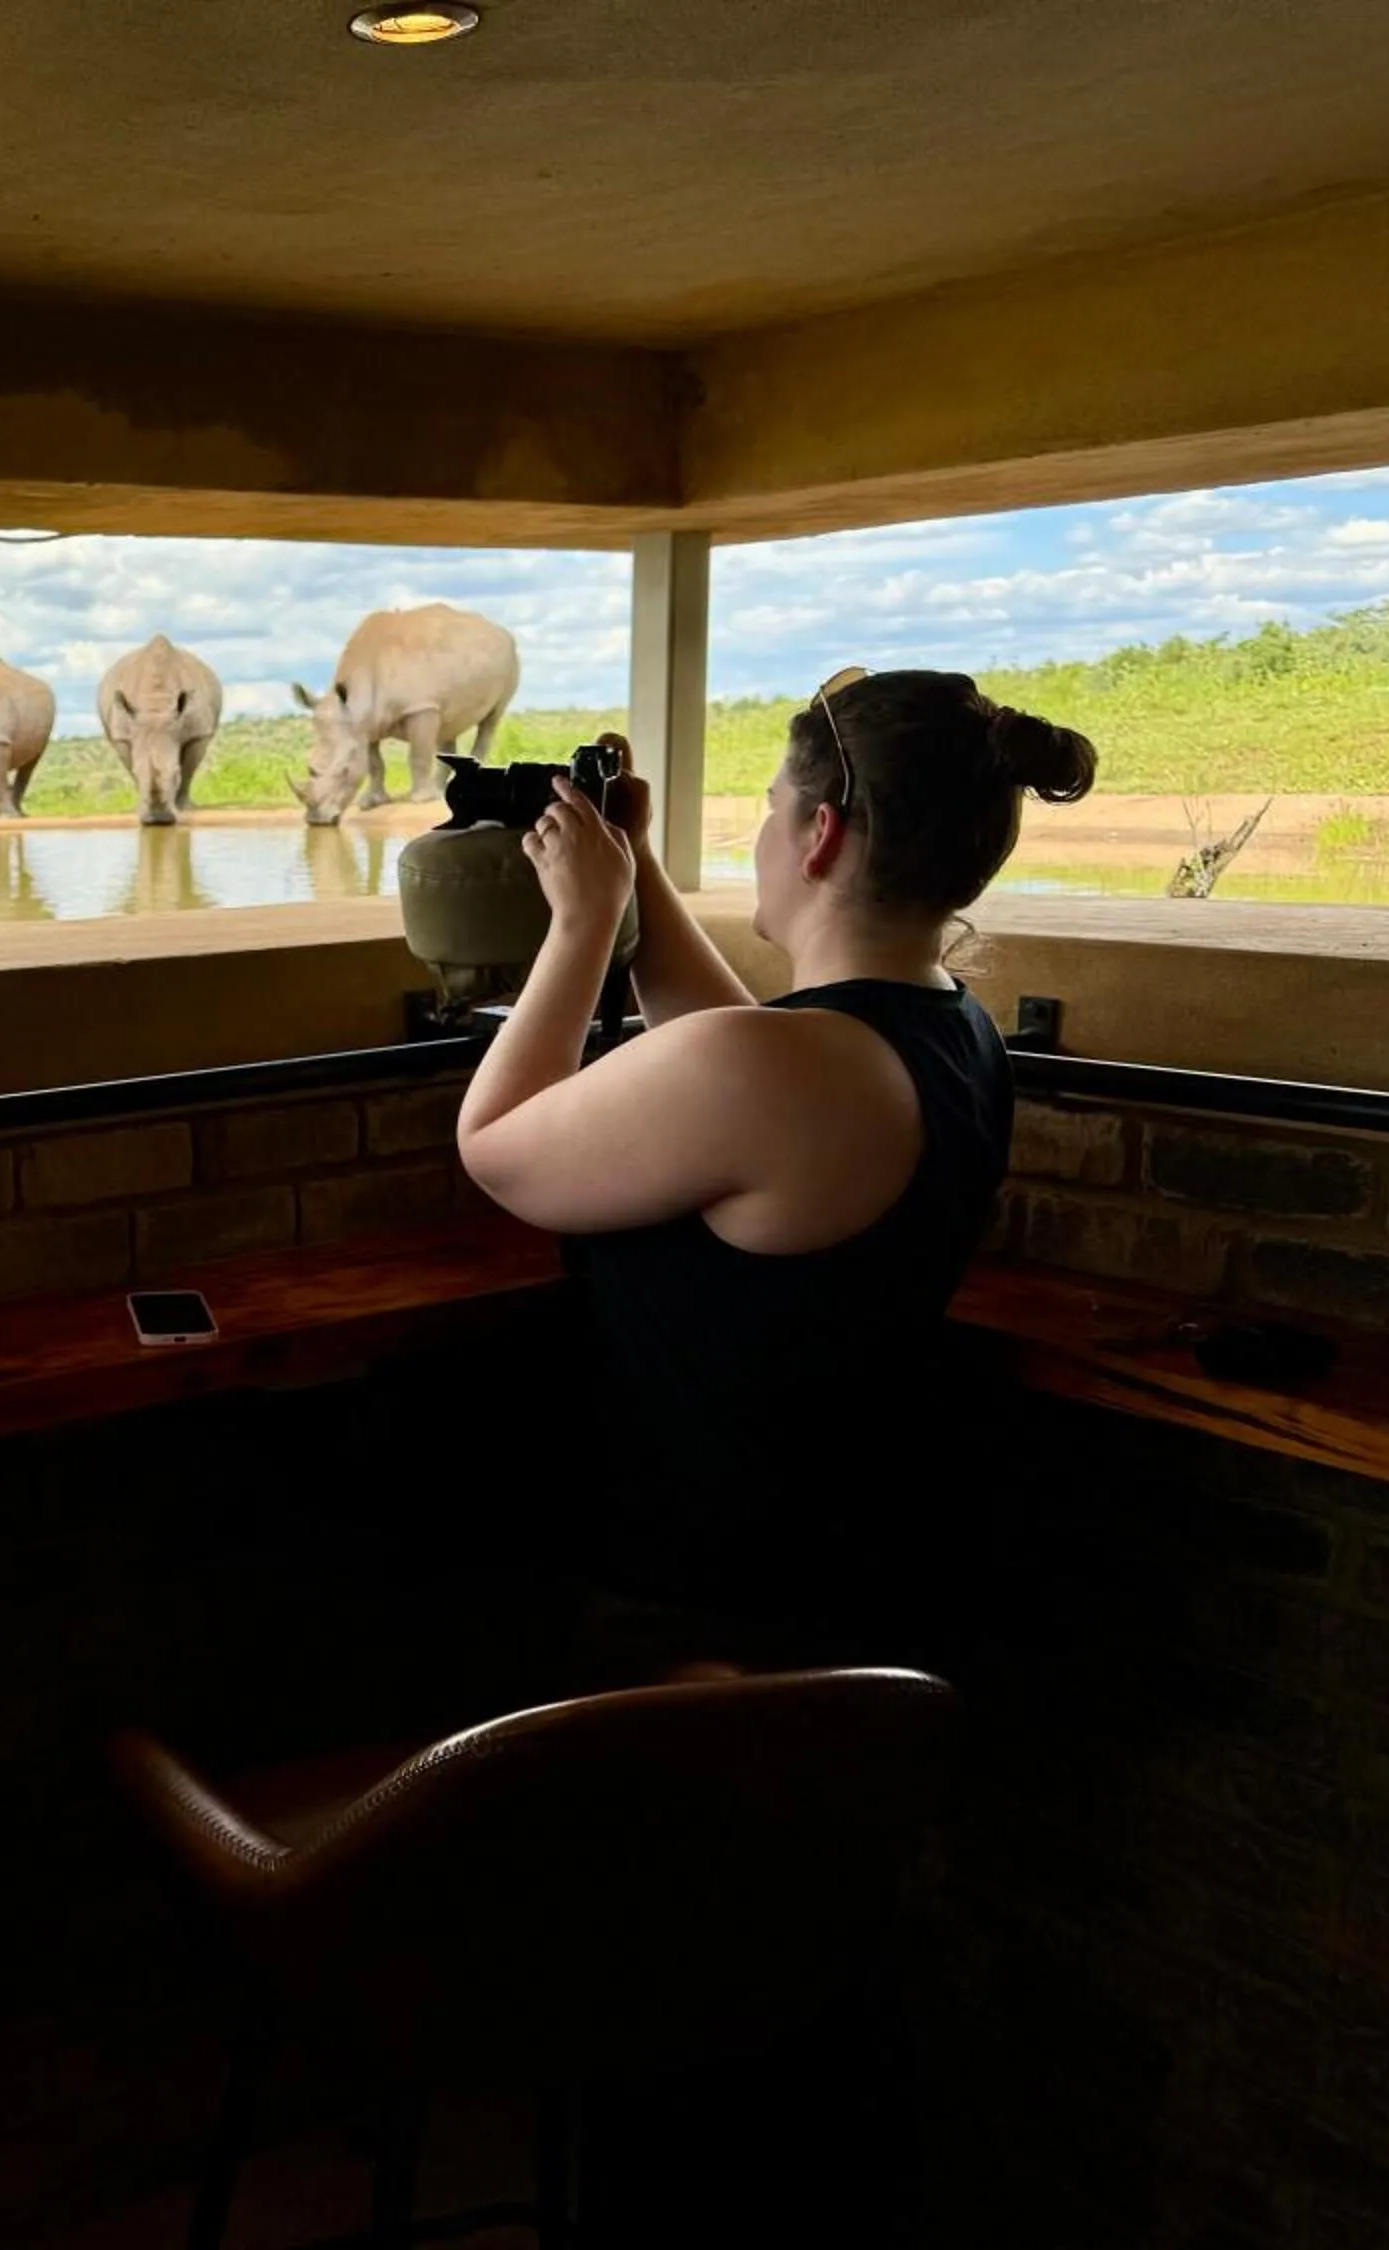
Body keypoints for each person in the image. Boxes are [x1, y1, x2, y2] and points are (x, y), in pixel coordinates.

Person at [454, 669, 1096, 1654]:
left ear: (821, 834)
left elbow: (496, 1148)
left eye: (769, 811)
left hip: (689, 1601)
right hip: (835, 1564)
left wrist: (583, 923)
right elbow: (736, 1056)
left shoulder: (784, 1067)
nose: (761, 838)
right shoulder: (952, 1030)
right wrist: (639, 866)